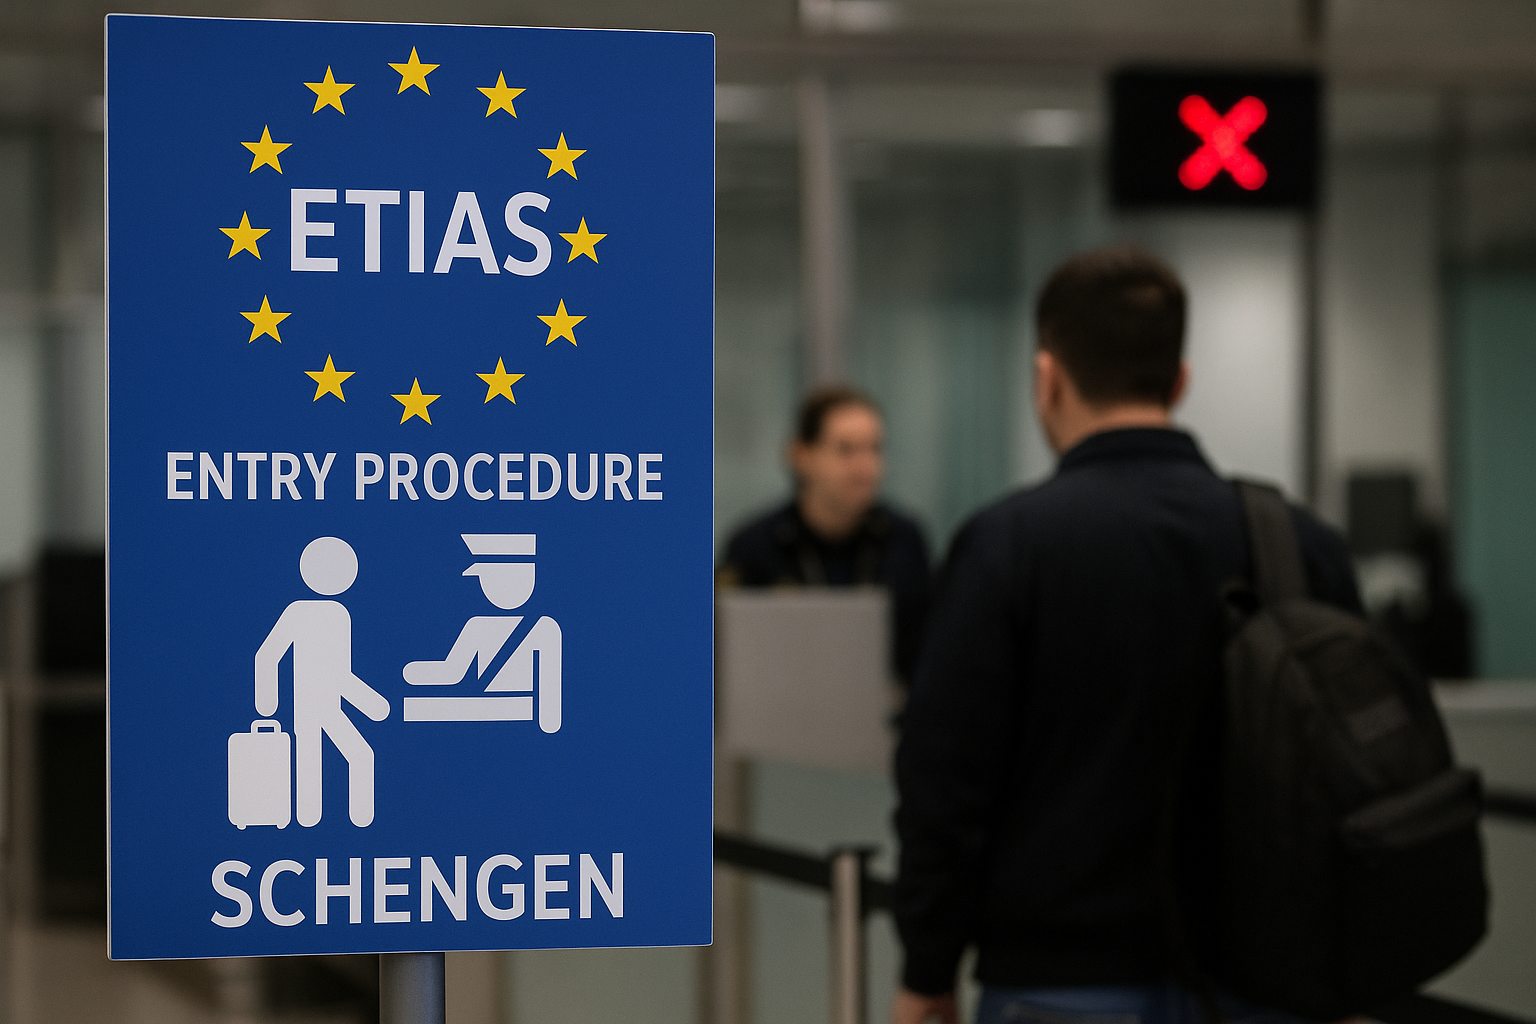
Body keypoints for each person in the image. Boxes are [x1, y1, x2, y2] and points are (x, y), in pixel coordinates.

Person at [891, 246, 1362, 1024]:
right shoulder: (1300, 544)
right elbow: (1352, 769)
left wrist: (926, 968)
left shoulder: (1008, 547)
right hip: (1268, 986)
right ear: (1179, 382)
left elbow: (946, 785)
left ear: (1047, 378)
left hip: (1061, 984)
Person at [718, 385, 931, 681]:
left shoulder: (904, 540)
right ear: (802, 455)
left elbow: (925, 653)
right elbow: (727, 659)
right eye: (846, 450)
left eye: (875, 449)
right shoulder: (754, 547)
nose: (865, 468)